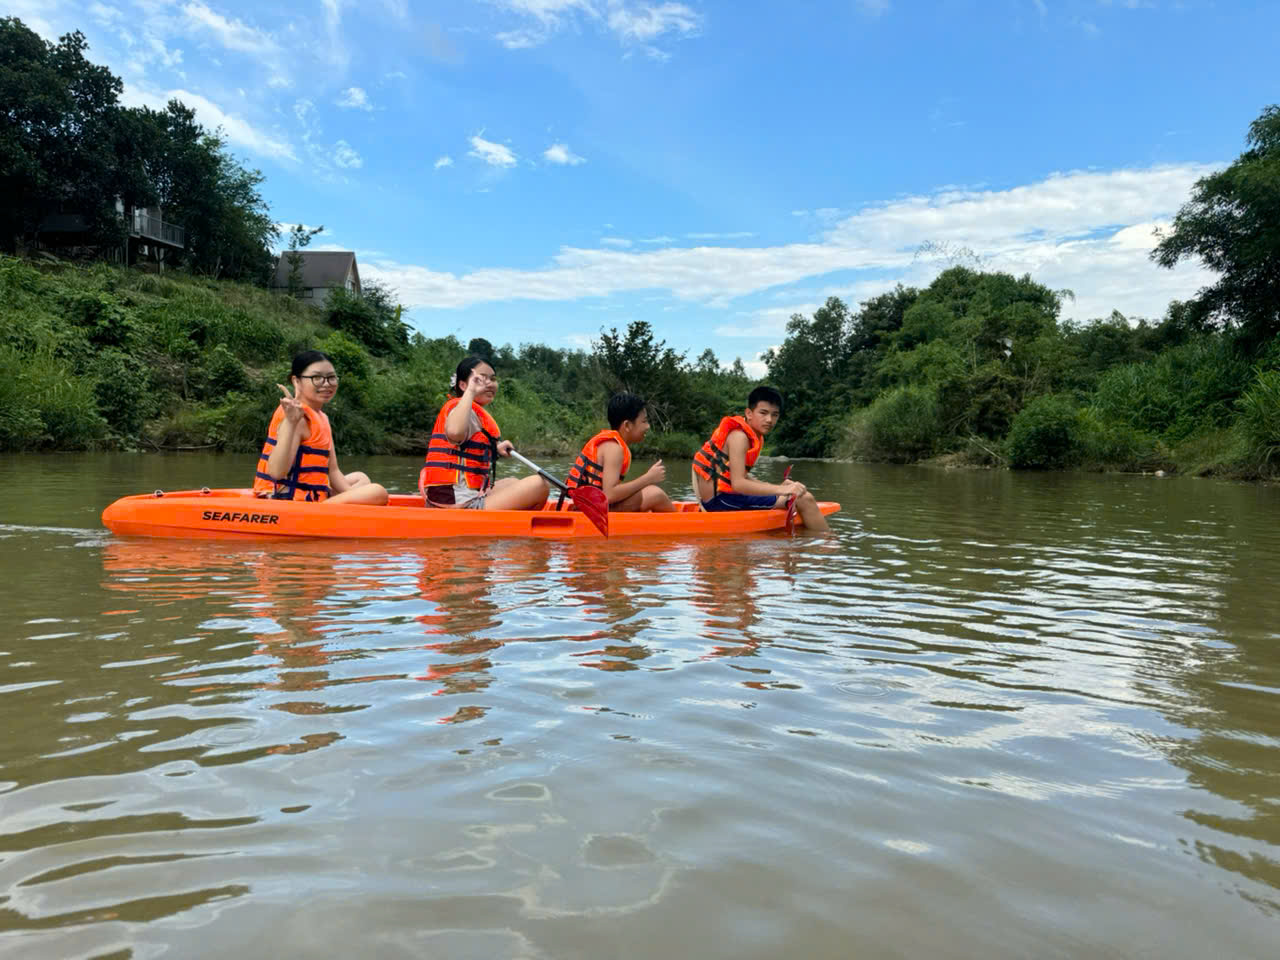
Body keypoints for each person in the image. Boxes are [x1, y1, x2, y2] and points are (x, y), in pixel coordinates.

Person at [253, 350, 388, 505]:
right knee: (378, 492)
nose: (326, 384)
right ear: (296, 381)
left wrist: (355, 496)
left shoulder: (322, 417)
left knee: (361, 479)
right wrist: (291, 423)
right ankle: (321, 510)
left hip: (313, 496)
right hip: (285, 500)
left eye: (331, 378)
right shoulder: (296, 418)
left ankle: (327, 508)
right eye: (316, 378)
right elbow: (276, 473)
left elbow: (333, 471)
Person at [692, 385, 830, 532]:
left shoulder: (753, 436)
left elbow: (739, 477)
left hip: (722, 498)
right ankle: (827, 549)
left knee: (790, 495)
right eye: (763, 413)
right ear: (749, 413)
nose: (769, 420)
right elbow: (738, 484)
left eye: (775, 414)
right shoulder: (739, 437)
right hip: (720, 502)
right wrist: (782, 490)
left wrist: (779, 488)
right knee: (804, 499)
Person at [419, 356, 549, 510]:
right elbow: (454, 432)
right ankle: (517, 531)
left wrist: (496, 449)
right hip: (455, 504)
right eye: (480, 379)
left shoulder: (474, 411)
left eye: (492, 379)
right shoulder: (458, 408)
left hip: (471, 495)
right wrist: (471, 391)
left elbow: (467, 447)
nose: (489, 383)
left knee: (513, 482)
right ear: (462, 385)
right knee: (539, 485)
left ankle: (512, 527)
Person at [566, 393, 674, 512]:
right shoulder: (614, 448)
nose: (648, 426)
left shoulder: (612, 444)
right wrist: (647, 478)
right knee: (655, 494)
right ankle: (683, 527)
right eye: (644, 421)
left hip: (590, 508)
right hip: (593, 513)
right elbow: (609, 495)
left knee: (650, 494)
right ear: (627, 425)